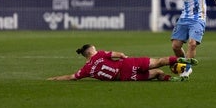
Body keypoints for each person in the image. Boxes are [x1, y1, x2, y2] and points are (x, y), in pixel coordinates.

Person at [47, 44, 198, 82]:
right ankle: (184, 60)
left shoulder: (86, 70)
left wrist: (53, 78)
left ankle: (176, 79)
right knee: (159, 62)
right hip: (127, 64)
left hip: (125, 77)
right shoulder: (99, 55)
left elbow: (72, 77)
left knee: (158, 74)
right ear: (91, 51)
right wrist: (124, 56)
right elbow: (117, 54)